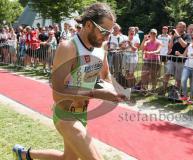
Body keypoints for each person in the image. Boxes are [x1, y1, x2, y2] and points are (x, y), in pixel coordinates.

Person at [13, 3, 126, 160]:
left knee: (68, 158)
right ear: (88, 25)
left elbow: (105, 75)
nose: (107, 37)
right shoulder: (68, 48)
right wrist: (96, 93)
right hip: (65, 114)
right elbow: (58, 94)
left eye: (110, 33)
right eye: (104, 32)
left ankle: (24, 154)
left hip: (83, 113)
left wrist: (114, 90)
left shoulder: (102, 48)